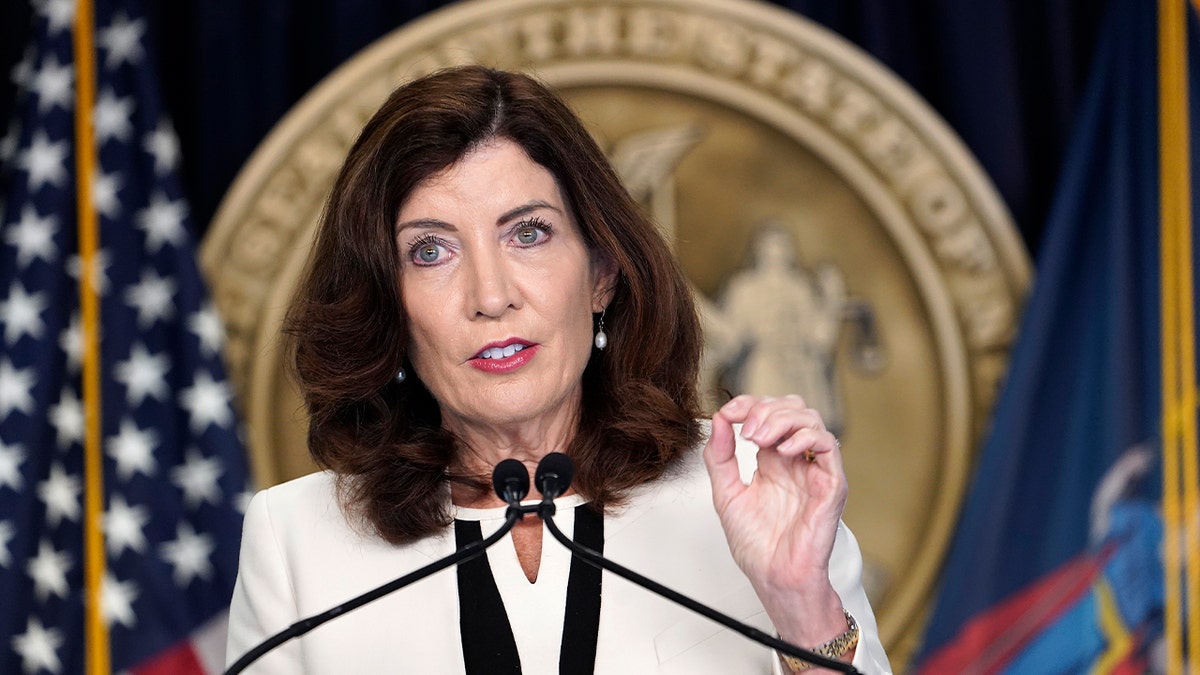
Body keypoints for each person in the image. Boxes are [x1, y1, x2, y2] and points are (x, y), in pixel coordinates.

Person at [225, 65, 893, 674]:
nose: (491, 295)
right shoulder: (296, 541)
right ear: (388, 307)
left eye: (529, 233)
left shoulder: (754, 492)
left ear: (601, 274)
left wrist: (803, 610)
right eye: (430, 251)